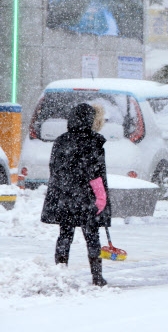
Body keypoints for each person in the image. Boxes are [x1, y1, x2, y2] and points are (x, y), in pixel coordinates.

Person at [41, 103, 111, 286]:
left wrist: (61, 191)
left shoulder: (61, 141)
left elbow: (54, 169)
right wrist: (101, 198)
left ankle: (60, 272)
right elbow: (96, 172)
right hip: (87, 198)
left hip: (65, 196)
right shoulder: (94, 141)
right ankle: (97, 277)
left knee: (64, 235)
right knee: (92, 236)